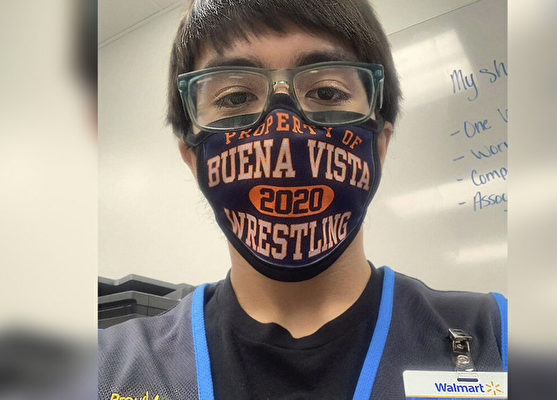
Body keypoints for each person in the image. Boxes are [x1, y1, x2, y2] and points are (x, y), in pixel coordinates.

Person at [99, 0, 507, 399]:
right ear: (193, 158)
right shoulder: (107, 369)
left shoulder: (497, 335)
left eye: (327, 92)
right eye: (236, 97)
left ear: (379, 145)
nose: (285, 126)